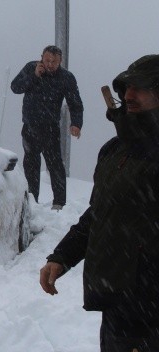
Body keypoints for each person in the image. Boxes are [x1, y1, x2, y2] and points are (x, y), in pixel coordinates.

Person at [40, 55, 159, 351]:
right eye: (126, 87)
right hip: (118, 304)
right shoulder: (114, 151)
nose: (128, 95)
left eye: (139, 88)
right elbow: (100, 213)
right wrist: (63, 256)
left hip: (150, 310)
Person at [11, 45, 84, 210]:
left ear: (60, 61)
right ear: (41, 58)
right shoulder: (31, 67)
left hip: (50, 128)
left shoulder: (66, 77)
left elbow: (75, 103)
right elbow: (15, 87)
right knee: (31, 164)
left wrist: (76, 124)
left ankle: (59, 203)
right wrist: (34, 76)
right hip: (29, 126)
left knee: (55, 165)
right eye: (47, 60)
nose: (50, 64)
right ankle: (31, 201)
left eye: (54, 62)